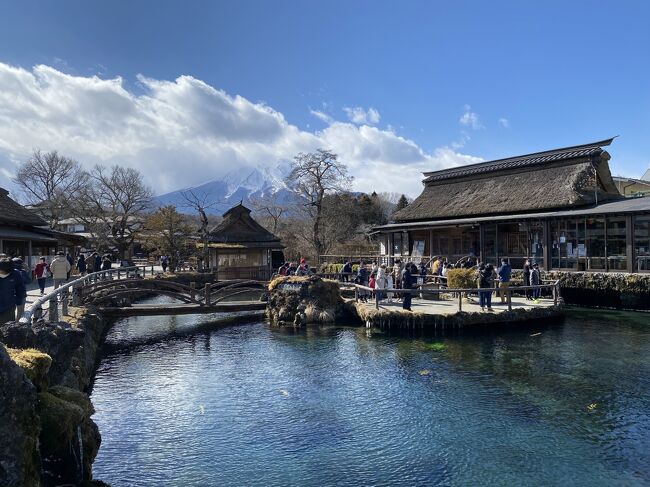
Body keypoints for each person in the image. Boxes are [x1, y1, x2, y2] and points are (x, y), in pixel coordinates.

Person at [0, 258, 26, 325]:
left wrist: (18, 300)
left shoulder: (16, 274)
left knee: (7, 328)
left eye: (4, 272)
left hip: (9, 307)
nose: (2, 273)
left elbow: (20, 289)